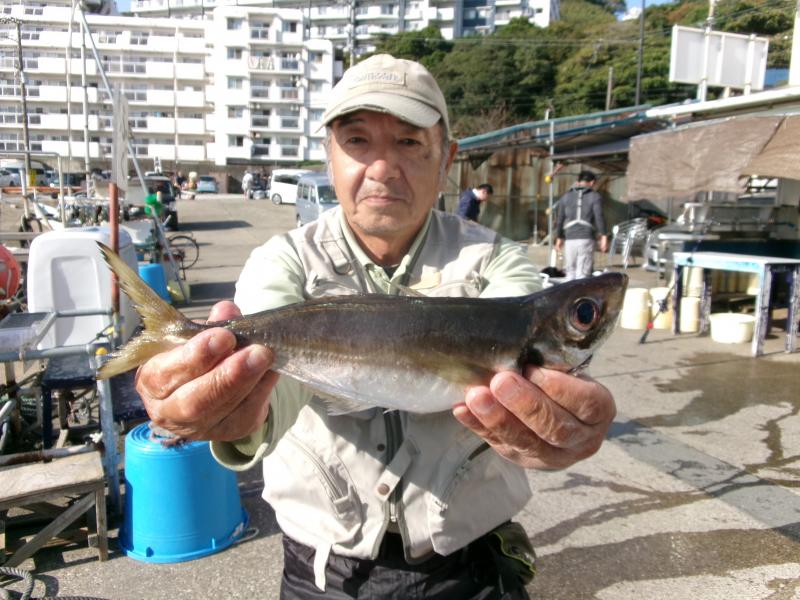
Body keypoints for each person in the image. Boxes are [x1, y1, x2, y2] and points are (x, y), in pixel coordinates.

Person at [134, 54, 616, 599]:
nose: (383, 167)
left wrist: (560, 420)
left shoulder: (496, 262)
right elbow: (276, 392)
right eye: (358, 141)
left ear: (447, 158)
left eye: (409, 142)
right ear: (329, 156)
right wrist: (233, 413)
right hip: (323, 577)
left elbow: (522, 327)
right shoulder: (283, 261)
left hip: (473, 570)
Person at [554, 171, 608, 280]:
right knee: (582, 274)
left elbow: (559, 219)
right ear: (592, 183)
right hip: (586, 239)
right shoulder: (595, 196)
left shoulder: (566, 196)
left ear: (578, 182)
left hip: (569, 239)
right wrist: (604, 236)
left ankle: (568, 295)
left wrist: (559, 237)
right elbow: (599, 217)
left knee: (570, 272)